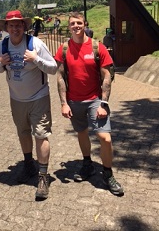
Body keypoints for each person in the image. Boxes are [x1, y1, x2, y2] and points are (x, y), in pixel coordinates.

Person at [54, 12, 124, 196]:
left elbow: (106, 76)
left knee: (105, 138)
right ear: (68, 26)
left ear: (85, 24)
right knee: (82, 132)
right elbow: (60, 76)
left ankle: (108, 174)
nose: (76, 26)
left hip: (95, 101)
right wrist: (63, 103)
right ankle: (87, 164)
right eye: (72, 23)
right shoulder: (63, 49)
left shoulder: (96, 47)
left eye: (79, 23)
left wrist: (104, 104)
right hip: (74, 101)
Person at [0, 10, 57, 200]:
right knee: (23, 133)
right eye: (11, 25)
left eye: (18, 25)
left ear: (24, 26)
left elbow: (53, 68)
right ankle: (28, 163)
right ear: (6, 28)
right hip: (16, 100)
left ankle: (43, 176)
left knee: (41, 135)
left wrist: (36, 59)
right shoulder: (2, 46)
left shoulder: (35, 44)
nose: (15, 28)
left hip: (39, 98)